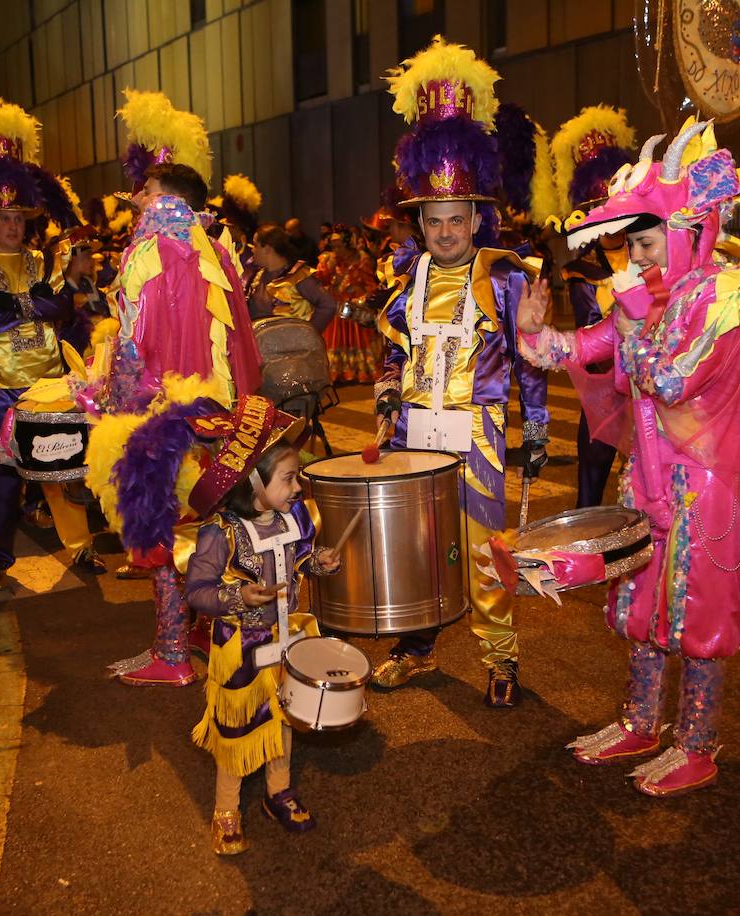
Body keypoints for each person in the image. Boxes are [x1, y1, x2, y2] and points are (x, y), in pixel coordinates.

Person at [515, 120, 740, 796]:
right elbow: (579, 349)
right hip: (649, 473)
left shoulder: (727, 295)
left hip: (706, 483)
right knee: (638, 595)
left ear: (691, 229)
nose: (636, 257)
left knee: (698, 609)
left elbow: (670, 379)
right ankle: (640, 720)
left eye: (647, 240)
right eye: (631, 244)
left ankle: (698, 742)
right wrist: (538, 332)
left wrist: (630, 326)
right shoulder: (653, 292)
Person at [370, 37, 549, 707]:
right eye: (433, 220)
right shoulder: (404, 278)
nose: (445, 232)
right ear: (418, 220)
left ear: (479, 216)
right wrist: (388, 396)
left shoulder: (504, 278)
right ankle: (415, 649)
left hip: (477, 435)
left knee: (481, 552)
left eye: (456, 219)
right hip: (415, 433)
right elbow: (395, 355)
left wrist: (537, 427)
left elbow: (531, 364)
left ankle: (500, 659)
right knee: (417, 548)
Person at [92, 90, 264, 687]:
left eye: (142, 191)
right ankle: (198, 627)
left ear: (163, 200)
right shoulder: (219, 251)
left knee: (155, 525)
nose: (134, 200)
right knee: (209, 522)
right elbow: (243, 337)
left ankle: (170, 653)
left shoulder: (144, 253)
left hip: (161, 413)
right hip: (217, 413)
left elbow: (134, 345)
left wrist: (112, 403)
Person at [182, 395, 340, 855]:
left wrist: (320, 562)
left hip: (287, 637)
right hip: (240, 645)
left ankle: (279, 790)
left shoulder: (295, 518)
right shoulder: (220, 532)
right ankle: (226, 807)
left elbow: (301, 561)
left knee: (284, 715)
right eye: (289, 479)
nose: (297, 487)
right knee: (237, 729)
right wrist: (238, 595)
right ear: (254, 481)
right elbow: (196, 592)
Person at [0, 101, 97, 589]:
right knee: (3, 477)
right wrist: (31, 304)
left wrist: (19, 306)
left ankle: (80, 550)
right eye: (4, 216)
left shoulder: (43, 259)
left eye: (19, 216)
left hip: (46, 381)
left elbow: (63, 308)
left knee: (62, 465)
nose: (13, 225)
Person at [548, 105, 637, 507]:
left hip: (655, 392)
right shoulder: (582, 271)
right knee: (592, 482)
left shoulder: (652, 255)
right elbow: (588, 338)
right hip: (607, 394)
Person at [315, 226, 381, 382]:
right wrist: (328, 272)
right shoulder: (328, 260)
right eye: (333, 246)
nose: (336, 250)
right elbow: (318, 281)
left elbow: (371, 285)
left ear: (348, 244)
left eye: (339, 246)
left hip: (354, 310)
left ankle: (358, 371)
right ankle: (337, 371)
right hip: (335, 309)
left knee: (357, 337)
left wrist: (360, 296)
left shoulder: (362, 260)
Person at [247, 223, 337, 333]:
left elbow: (328, 305)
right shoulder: (256, 276)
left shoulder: (298, 276)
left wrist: (308, 334)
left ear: (267, 249)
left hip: (291, 348)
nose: (252, 250)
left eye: (255, 245)